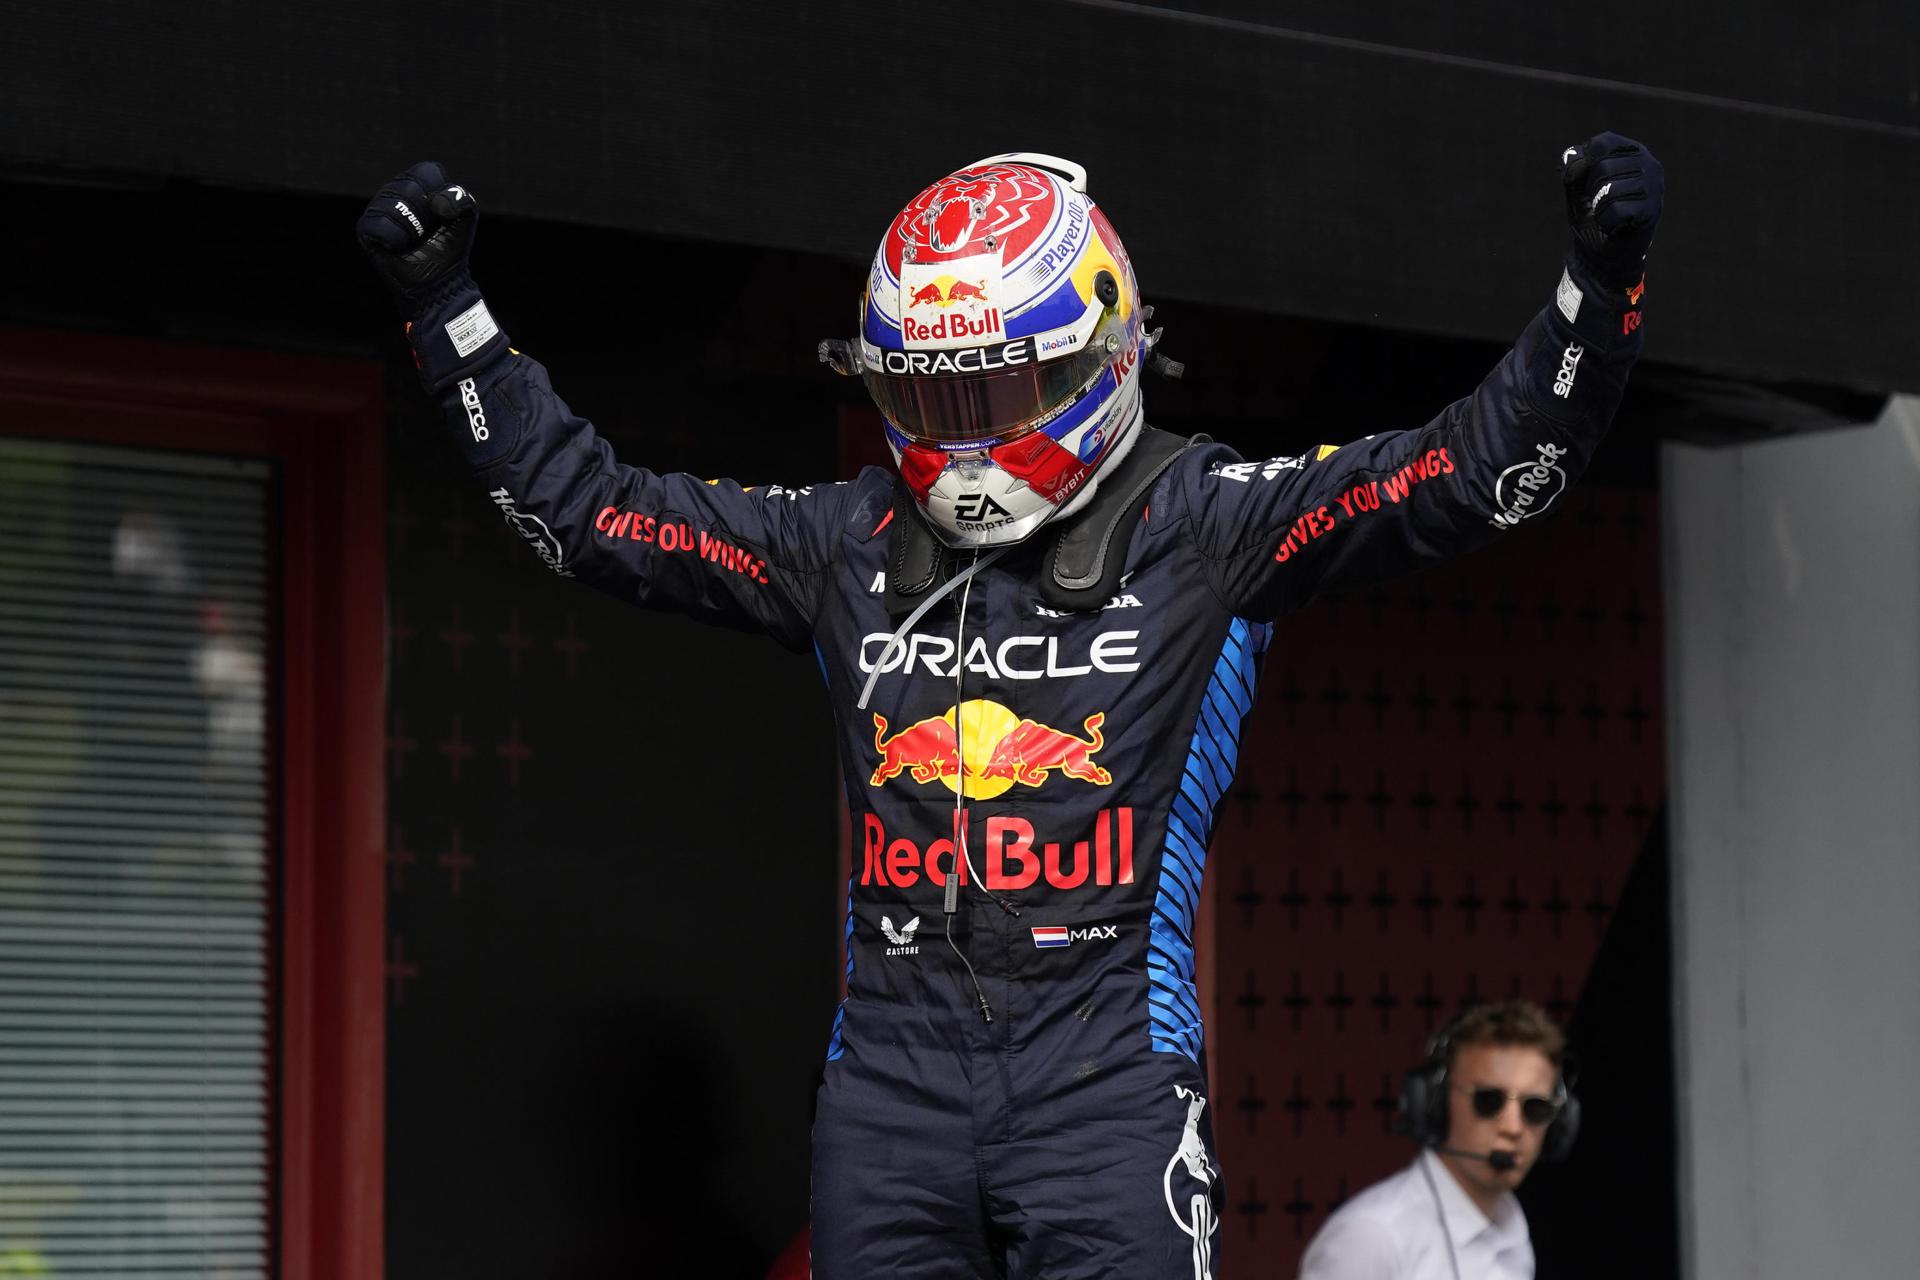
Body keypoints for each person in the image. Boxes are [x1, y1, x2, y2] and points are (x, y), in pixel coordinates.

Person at [356, 135, 1661, 1279]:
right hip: (891, 1093)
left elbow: (1473, 474)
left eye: (993, 393)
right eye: (929, 397)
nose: (963, 433)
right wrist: (447, 311)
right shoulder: (844, 540)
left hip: (1107, 1088)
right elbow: (591, 515)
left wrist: (1596, 296)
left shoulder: (1208, 522)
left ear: (1099, 352)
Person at [1298, 1001, 1579, 1280]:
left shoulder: (1512, 1229)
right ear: (1436, 1104)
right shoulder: (1374, 1237)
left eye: (1536, 1108)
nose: (1513, 1127)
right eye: (1488, 1100)